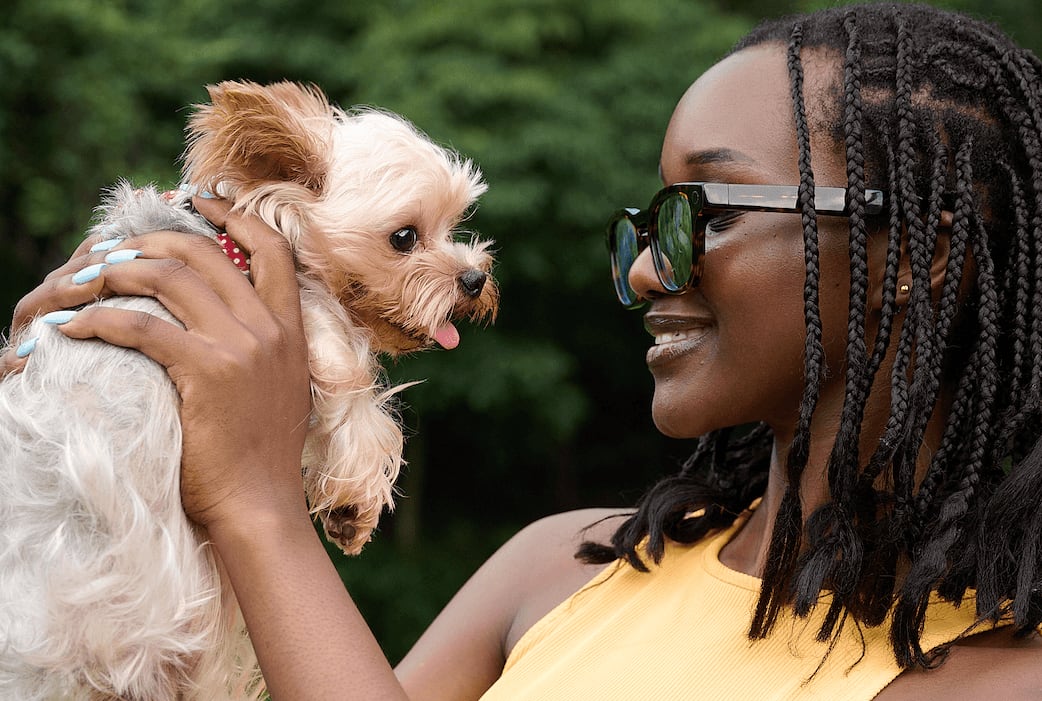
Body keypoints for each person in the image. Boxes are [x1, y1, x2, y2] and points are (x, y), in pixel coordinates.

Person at [5, 2, 1042, 699]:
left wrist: (261, 506)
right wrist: (86, 426)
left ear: (917, 255)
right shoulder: (562, 564)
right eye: (641, 225)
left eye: (699, 212)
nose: (642, 269)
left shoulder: (998, 671)